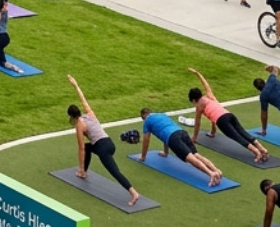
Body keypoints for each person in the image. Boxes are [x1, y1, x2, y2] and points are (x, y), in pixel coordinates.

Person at [67, 76, 140, 206]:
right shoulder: (89, 113)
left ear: (72, 116)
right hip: (109, 143)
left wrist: (81, 166)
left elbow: (81, 149)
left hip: (103, 148)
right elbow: (83, 99)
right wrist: (76, 85)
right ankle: (83, 173)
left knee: (115, 172)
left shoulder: (79, 126)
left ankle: (134, 193)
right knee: (89, 147)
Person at [188, 67, 270, 164]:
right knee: (243, 133)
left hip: (222, 121)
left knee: (237, 137)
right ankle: (262, 149)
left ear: (193, 100)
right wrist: (197, 73)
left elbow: (197, 124)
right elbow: (205, 84)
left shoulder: (199, 106)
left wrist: (194, 138)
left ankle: (257, 153)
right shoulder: (209, 96)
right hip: (229, 115)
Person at [137, 107, 225, 188]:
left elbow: (146, 140)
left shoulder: (147, 121)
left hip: (173, 138)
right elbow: (163, 133)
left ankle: (211, 173)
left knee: (191, 159)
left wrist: (143, 157)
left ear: (144, 117)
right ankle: (216, 170)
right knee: (197, 155)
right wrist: (165, 152)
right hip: (182, 132)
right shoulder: (161, 115)